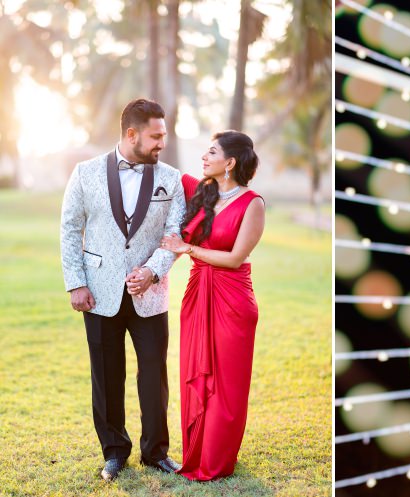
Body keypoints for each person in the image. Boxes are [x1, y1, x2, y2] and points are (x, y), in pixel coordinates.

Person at [60, 98, 185, 481]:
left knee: (153, 376)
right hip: (98, 293)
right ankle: (114, 452)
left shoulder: (172, 178)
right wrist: (76, 283)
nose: (162, 143)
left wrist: (152, 271)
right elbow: (69, 229)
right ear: (131, 134)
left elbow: (173, 236)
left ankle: (156, 452)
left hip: (151, 296)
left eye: (163, 136)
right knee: (106, 375)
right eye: (155, 136)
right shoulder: (84, 173)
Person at [159, 130, 266, 481]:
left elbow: (235, 258)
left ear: (230, 162)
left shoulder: (253, 203)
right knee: (196, 377)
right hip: (197, 295)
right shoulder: (200, 189)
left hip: (232, 300)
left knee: (226, 385)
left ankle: (217, 459)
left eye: (211, 152)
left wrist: (185, 248)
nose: (204, 158)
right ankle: (195, 452)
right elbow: (162, 169)